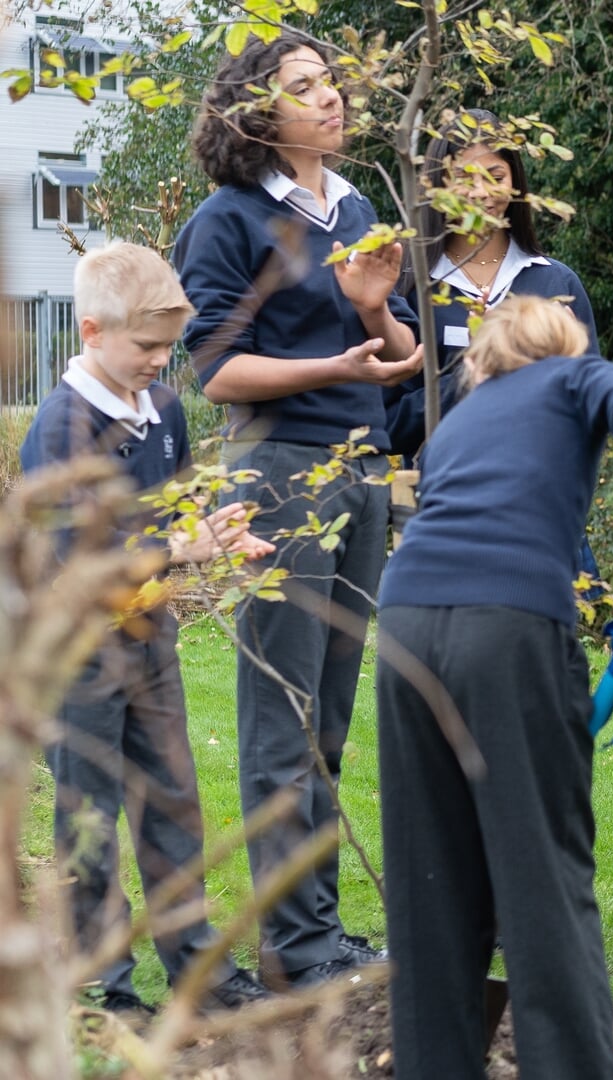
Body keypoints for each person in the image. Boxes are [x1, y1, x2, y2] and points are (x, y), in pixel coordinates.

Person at [376, 296, 613, 1079]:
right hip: (507, 625)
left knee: (430, 880)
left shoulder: (460, 422)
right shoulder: (572, 377)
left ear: (484, 357)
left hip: (406, 625)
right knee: (544, 874)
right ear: (563, 345)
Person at [172, 35, 421, 990]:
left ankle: (312, 933)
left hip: (360, 473)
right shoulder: (230, 218)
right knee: (283, 718)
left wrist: (372, 311)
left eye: (333, 82)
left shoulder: (354, 209)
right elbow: (216, 371)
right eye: (305, 86)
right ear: (256, 110)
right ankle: (298, 946)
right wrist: (333, 365)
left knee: (329, 719)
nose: (331, 99)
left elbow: (396, 359)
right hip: (277, 472)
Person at [21, 243, 276, 1016]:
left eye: (169, 347)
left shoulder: (161, 409)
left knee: (172, 803)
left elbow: (169, 512)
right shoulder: (61, 427)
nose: (162, 362)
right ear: (92, 331)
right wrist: (182, 547)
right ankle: (104, 988)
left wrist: (215, 532)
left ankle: (199, 974)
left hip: (149, 639)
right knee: (88, 817)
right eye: (145, 347)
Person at [383, 107, 599, 460]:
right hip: (442, 498)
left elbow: (591, 413)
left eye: (495, 175)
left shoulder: (554, 283)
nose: (481, 192)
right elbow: (390, 426)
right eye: (464, 178)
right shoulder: (411, 283)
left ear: (515, 181)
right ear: (439, 185)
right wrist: (472, 373)